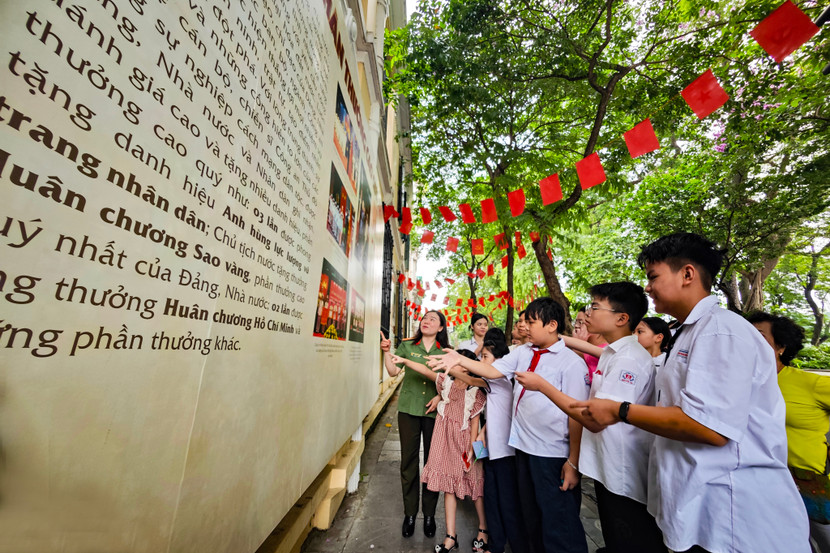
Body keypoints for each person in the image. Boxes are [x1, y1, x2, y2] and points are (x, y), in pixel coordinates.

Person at [571, 232, 810, 553]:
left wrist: (620, 410)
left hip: (734, 510)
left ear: (687, 274)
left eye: (653, 276)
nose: (647, 287)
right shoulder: (688, 333)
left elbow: (708, 427)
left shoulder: (722, 331)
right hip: (699, 504)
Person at [430, 297, 590, 553]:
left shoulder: (571, 363)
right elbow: (491, 371)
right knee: (531, 518)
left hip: (552, 454)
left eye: (531, 321)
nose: (525, 326)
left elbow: (577, 414)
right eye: (524, 321)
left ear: (551, 325)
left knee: (559, 522)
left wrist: (573, 462)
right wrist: (458, 360)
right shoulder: (524, 353)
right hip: (523, 449)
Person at [518, 282, 666, 553]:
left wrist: (543, 386)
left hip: (623, 473)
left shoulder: (628, 360)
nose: (587, 314)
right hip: (606, 467)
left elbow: (596, 418)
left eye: (595, 307)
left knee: (629, 539)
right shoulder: (613, 352)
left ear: (622, 318)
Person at [390, 349, 489, 553]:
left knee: (476, 486)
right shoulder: (446, 382)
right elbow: (425, 371)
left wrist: (472, 449)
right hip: (444, 441)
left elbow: (475, 422)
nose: (455, 365)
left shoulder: (476, 390)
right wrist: (406, 361)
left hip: (468, 443)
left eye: (460, 362)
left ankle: (483, 529)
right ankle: (451, 536)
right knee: (448, 487)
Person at [748, 312, 830, 553]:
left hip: (805, 485)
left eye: (759, 336)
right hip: (758, 482)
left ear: (780, 347)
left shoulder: (810, 383)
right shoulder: (739, 384)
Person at [380, 311, 448, 538]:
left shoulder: (445, 353)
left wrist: (440, 397)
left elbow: (450, 383)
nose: (426, 321)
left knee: (432, 463)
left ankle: (429, 514)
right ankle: (410, 513)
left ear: (440, 328)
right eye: (424, 318)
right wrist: (387, 352)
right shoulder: (408, 346)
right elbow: (392, 372)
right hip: (409, 409)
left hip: (433, 412)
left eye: (433, 319)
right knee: (408, 461)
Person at [477, 328, 530, 553]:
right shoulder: (493, 383)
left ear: (499, 361)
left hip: (506, 453)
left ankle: (516, 546)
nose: (481, 361)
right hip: (492, 450)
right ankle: (496, 544)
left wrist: (456, 362)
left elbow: (472, 377)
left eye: (485, 358)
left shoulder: (501, 381)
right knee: (492, 499)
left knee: (508, 503)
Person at [572, 307, 607, 384]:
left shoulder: (605, 350)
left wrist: (577, 345)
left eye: (581, 322)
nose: (576, 326)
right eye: (576, 322)